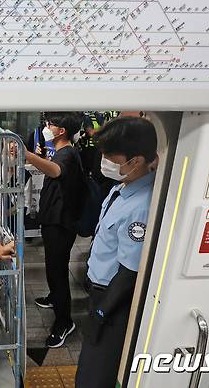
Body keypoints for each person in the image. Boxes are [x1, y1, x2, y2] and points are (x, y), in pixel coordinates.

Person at [75, 117, 158, 388]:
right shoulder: (121, 189)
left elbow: (129, 272)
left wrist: (101, 314)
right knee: (88, 367)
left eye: (111, 156)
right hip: (98, 293)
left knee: (95, 377)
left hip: (112, 303)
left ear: (136, 161)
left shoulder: (142, 206)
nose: (105, 161)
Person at [24, 112, 87, 348]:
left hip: (61, 223)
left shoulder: (68, 153)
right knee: (54, 265)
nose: (47, 128)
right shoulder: (63, 151)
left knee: (57, 270)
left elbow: (55, 171)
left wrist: (28, 155)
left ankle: (64, 321)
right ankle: (54, 298)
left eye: (51, 125)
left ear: (61, 131)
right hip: (55, 219)